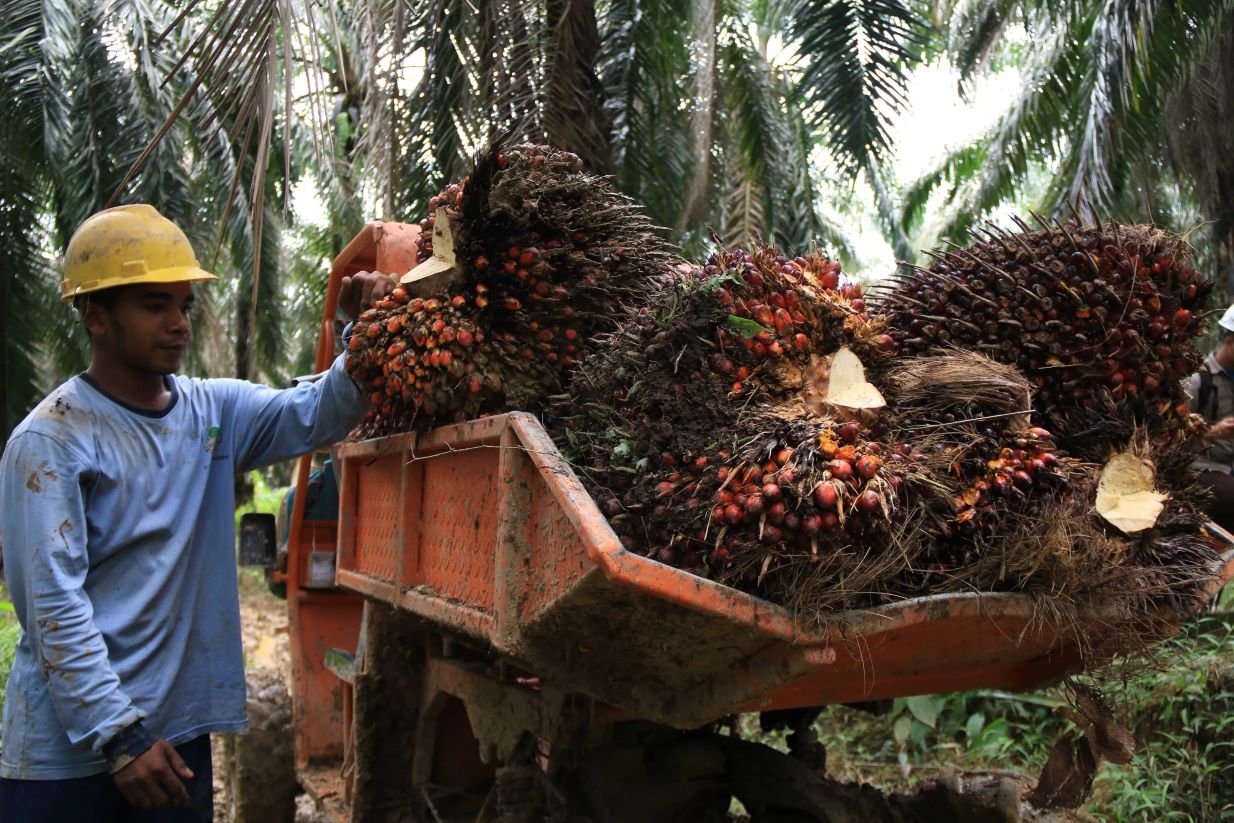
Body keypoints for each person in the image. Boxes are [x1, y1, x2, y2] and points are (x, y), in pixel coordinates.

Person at [0, 204, 393, 821]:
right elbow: (51, 603)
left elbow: (318, 410)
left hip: (175, 740)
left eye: (184, 305)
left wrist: (366, 334)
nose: (178, 323)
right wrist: (119, 739)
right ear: (95, 316)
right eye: (155, 305)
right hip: (74, 758)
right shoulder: (52, 440)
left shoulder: (212, 413)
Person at [1187, 303, 1234, 533]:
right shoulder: (1199, 379)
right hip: (1202, 468)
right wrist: (1216, 431)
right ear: (1230, 341)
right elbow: (1173, 435)